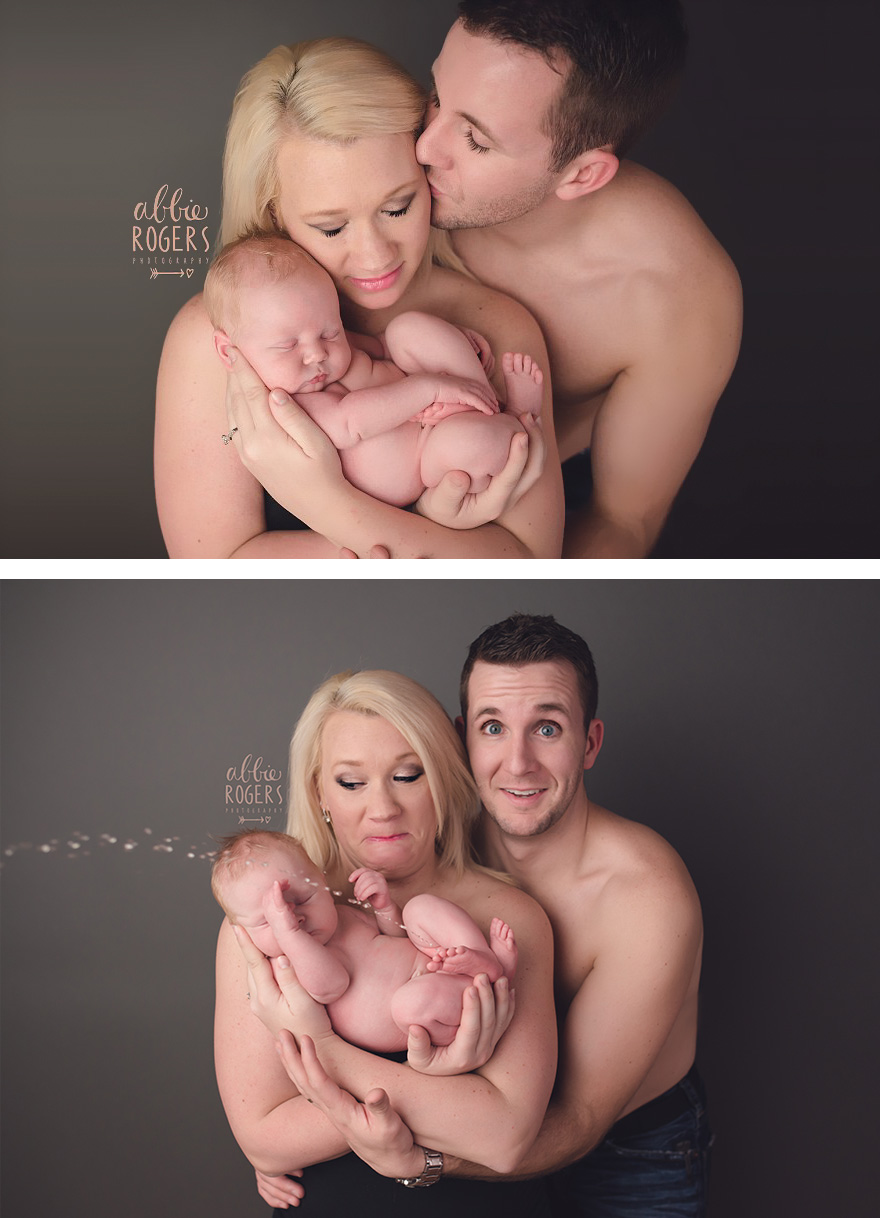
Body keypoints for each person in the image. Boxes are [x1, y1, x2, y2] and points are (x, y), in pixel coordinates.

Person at [273, 615, 711, 1216]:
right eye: (493, 727)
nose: (518, 763)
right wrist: (274, 1136)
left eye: (548, 728)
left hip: (623, 1149)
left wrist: (412, 1157)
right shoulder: (429, 836)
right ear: (461, 740)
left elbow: (575, 1120)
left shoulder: (646, 897)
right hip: (488, 1108)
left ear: (589, 743)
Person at [155, 38, 563, 559]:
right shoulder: (216, 341)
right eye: (330, 227)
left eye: (397, 208)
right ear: (274, 214)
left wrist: (342, 511)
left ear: (429, 175)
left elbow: (528, 560)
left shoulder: (494, 322)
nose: (374, 257)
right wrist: (374, 517)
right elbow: (213, 562)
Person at [214, 669, 557, 1215]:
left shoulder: (509, 917)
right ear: (319, 792)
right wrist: (441, 1104)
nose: (383, 809)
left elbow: (505, 1138)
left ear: (443, 778)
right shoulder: (266, 921)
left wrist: (323, 1053)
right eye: (351, 783)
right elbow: (263, 1136)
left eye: (408, 775)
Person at [414, 1, 743, 558]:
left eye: (475, 141)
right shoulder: (389, 142)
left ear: (582, 173)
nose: (423, 147)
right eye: (438, 96)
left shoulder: (674, 299)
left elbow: (624, 521)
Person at [204, 233, 542, 508]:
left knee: (406, 329)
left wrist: (448, 344)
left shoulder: (334, 350)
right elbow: (351, 422)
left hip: (433, 399)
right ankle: (518, 416)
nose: (316, 353)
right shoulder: (284, 403)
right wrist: (430, 389)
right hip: (425, 458)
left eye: (329, 331)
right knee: (474, 445)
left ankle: (478, 390)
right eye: (287, 346)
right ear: (228, 349)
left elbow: (382, 348)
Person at [211, 828, 517, 1051]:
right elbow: (331, 986)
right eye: (269, 919)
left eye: (303, 898)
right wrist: (289, 934)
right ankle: (487, 980)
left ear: (321, 881)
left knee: (419, 907)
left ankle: (481, 957)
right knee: (410, 1004)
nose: (294, 918)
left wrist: (384, 907)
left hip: (437, 961)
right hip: (422, 1010)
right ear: (245, 934)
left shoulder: (343, 915)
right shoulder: (286, 969)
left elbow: (394, 936)